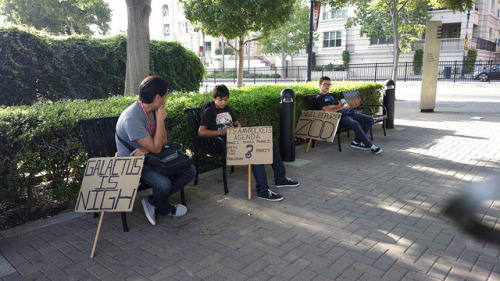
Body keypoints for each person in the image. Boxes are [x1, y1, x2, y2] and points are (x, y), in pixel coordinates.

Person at [116, 75, 196, 225]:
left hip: (150, 156)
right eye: (166, 95)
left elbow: (162, 142)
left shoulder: (151, 110)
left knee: (189, 171)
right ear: (158, 97)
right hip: (134, 164)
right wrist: (159, 121)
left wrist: (149, 147)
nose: (167, 98)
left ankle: (152, 201)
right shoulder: (132, 118)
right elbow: (157, 147)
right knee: (163, 184)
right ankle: (164, 208)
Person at [198, 84, 299, 201]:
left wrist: (238, 129)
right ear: (214, 98)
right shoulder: (209, 111)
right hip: (223, 143)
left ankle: (280, 178)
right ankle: (263, 190)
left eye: (225, 99)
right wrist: (222, 132)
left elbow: (237, 123)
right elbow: (201, 132)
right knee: (255, 150)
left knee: (271, 142)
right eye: (220, 100)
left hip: (235, 139)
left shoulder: (227, 108)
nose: (223, 103)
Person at [316, 76, 382, 154]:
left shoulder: (331, 95)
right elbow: (327, 110)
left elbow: (339, 104)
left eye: (329, 84)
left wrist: (337, 106)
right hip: (338, 117)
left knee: (370, 119)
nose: (327, 86)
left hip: (347, 113)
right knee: (355, 123)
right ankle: (371, 146)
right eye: (325, 84)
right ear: (320, 85)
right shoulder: (319, 97)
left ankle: (356, 142)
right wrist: (339, 108)